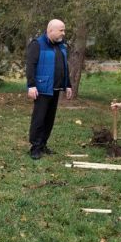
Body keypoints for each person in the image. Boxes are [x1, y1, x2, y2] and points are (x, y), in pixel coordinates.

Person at [25, 19, 73, 159]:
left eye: (64, 30)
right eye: (61, 30)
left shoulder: (61, 46)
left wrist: (68, 85)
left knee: (49, 119)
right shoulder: (37, 44)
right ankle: (35, 147)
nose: (63, 33)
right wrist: (31, 86)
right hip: (42, 89)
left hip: (56, 88)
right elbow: (30, 66)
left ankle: (43, 144)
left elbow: (65, 67)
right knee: (39, 119)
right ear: (50, 30)